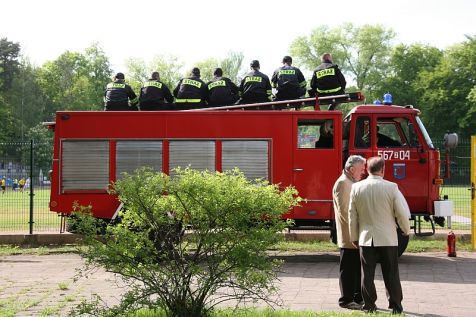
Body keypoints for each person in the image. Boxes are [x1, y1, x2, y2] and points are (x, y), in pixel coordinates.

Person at [348, 156, 411, 314]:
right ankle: (396, 306)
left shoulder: (357, 188)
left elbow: (352, 215)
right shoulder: (391, 187)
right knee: (391, 273)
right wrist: (406, 229)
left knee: (367, 274)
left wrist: (354, 236)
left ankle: (369, 305)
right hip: (388, 237)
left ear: (367, 169)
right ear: (383, 169)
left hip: (365, 237)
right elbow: (401, 213)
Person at [332, 155, 366, 310]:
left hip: (353, 234)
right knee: (349, 269)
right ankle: (346, 299)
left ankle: (357, 298)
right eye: (361, 169)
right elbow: (345, 211)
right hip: (349, 235)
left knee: (355, 268)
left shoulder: (350, 181)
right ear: (352, 169)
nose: (363, 172)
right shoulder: (343, 183)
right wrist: (356, 231)